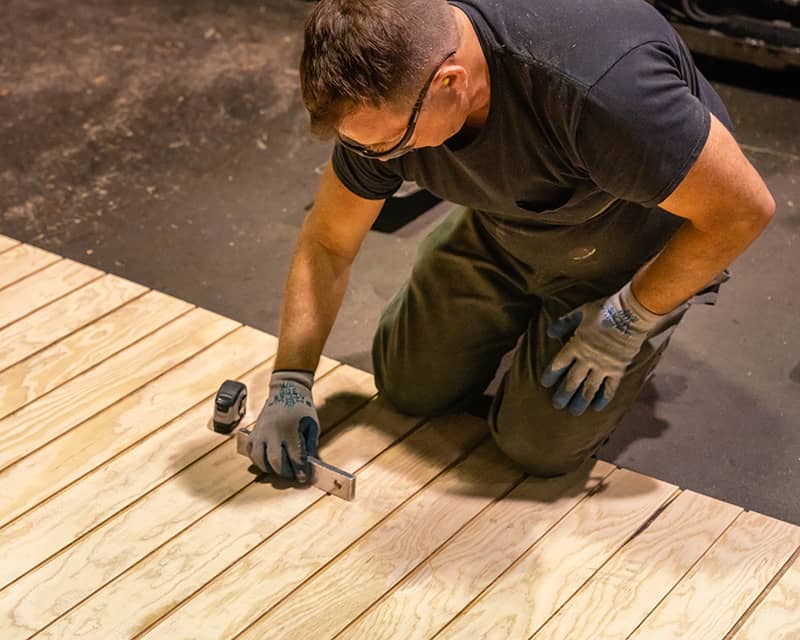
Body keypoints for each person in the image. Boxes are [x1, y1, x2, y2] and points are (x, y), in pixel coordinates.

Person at [246, 0, 775, 482]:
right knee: (408, 386)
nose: (378, 160)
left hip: (628, 246)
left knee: (534, 447)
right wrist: (291, 378)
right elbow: (328, 244)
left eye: (390, 146)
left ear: (450, 83)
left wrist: (630, 317)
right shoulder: (390, 93)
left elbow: (742, 212)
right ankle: (490, 246)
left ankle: (630, 310)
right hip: (509, 220)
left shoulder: (605, 93)